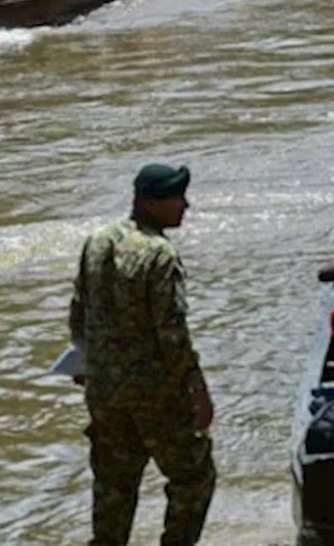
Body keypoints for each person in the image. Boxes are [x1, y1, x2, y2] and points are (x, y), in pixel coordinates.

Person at [69, 163, 215, 546]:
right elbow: (172, 334)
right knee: (194, 478)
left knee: (114, 484)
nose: (186, 205)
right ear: (150, 203)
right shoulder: (159, 254)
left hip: (105, 391)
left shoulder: (97, 240)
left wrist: (83, 362)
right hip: (155, 394)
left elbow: (78, 310)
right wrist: (197, 387)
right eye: (177, 198)